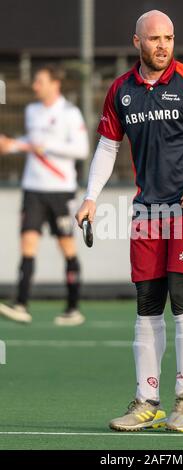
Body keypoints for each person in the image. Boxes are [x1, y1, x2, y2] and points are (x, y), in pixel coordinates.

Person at [76, 10, 183, 431]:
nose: (163, 45)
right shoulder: (121, 91)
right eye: (154, 39)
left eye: (168, 37)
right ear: (137, 42)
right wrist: (91, 197)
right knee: (147, 305)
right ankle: (146, 401)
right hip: (148, 211)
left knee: (182, 298)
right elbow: (108, 147)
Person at [0, 64, 89, 326]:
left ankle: (73, 308)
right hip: (33, 188)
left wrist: (47, 146)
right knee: (28, 245)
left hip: (60, 191)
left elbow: (81, 150)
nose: (35, 86)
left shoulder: (70, 113)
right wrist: (12, 145)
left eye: (40, 81)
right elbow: (31, 144)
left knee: (67, 248)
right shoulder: (32, 110)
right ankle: (21, 304)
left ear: (54, 84)